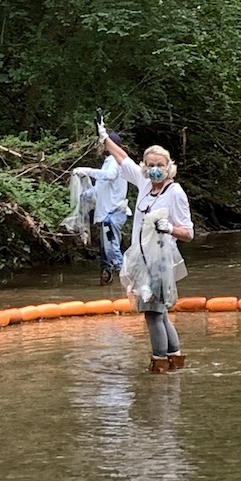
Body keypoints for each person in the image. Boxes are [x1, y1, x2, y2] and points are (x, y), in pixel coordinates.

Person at [95, 116, 194, 373]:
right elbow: (122, 158)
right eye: (150, 165)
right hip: (140, 259)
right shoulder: (144, 183)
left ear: (168, 166)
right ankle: (174, 361)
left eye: (159, 165)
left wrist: (169, 228)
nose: (155, 169)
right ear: (145, 167)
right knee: (159, 313)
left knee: (152, 313)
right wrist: (104, 137)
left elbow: (188, 233)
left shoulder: (175, 192)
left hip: (160, 262)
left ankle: (158, 364)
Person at [73, 131, 132, 286]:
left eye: (101, 143)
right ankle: (109, 280)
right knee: (106, 250)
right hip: (108, 215)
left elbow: (109, 175)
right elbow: (100, 189)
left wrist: (88, 171)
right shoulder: (108, 161)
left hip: (113, 214)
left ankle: (130, 282)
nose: (99, 146)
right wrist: (84, 194)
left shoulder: (115, 161)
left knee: (111, 249)